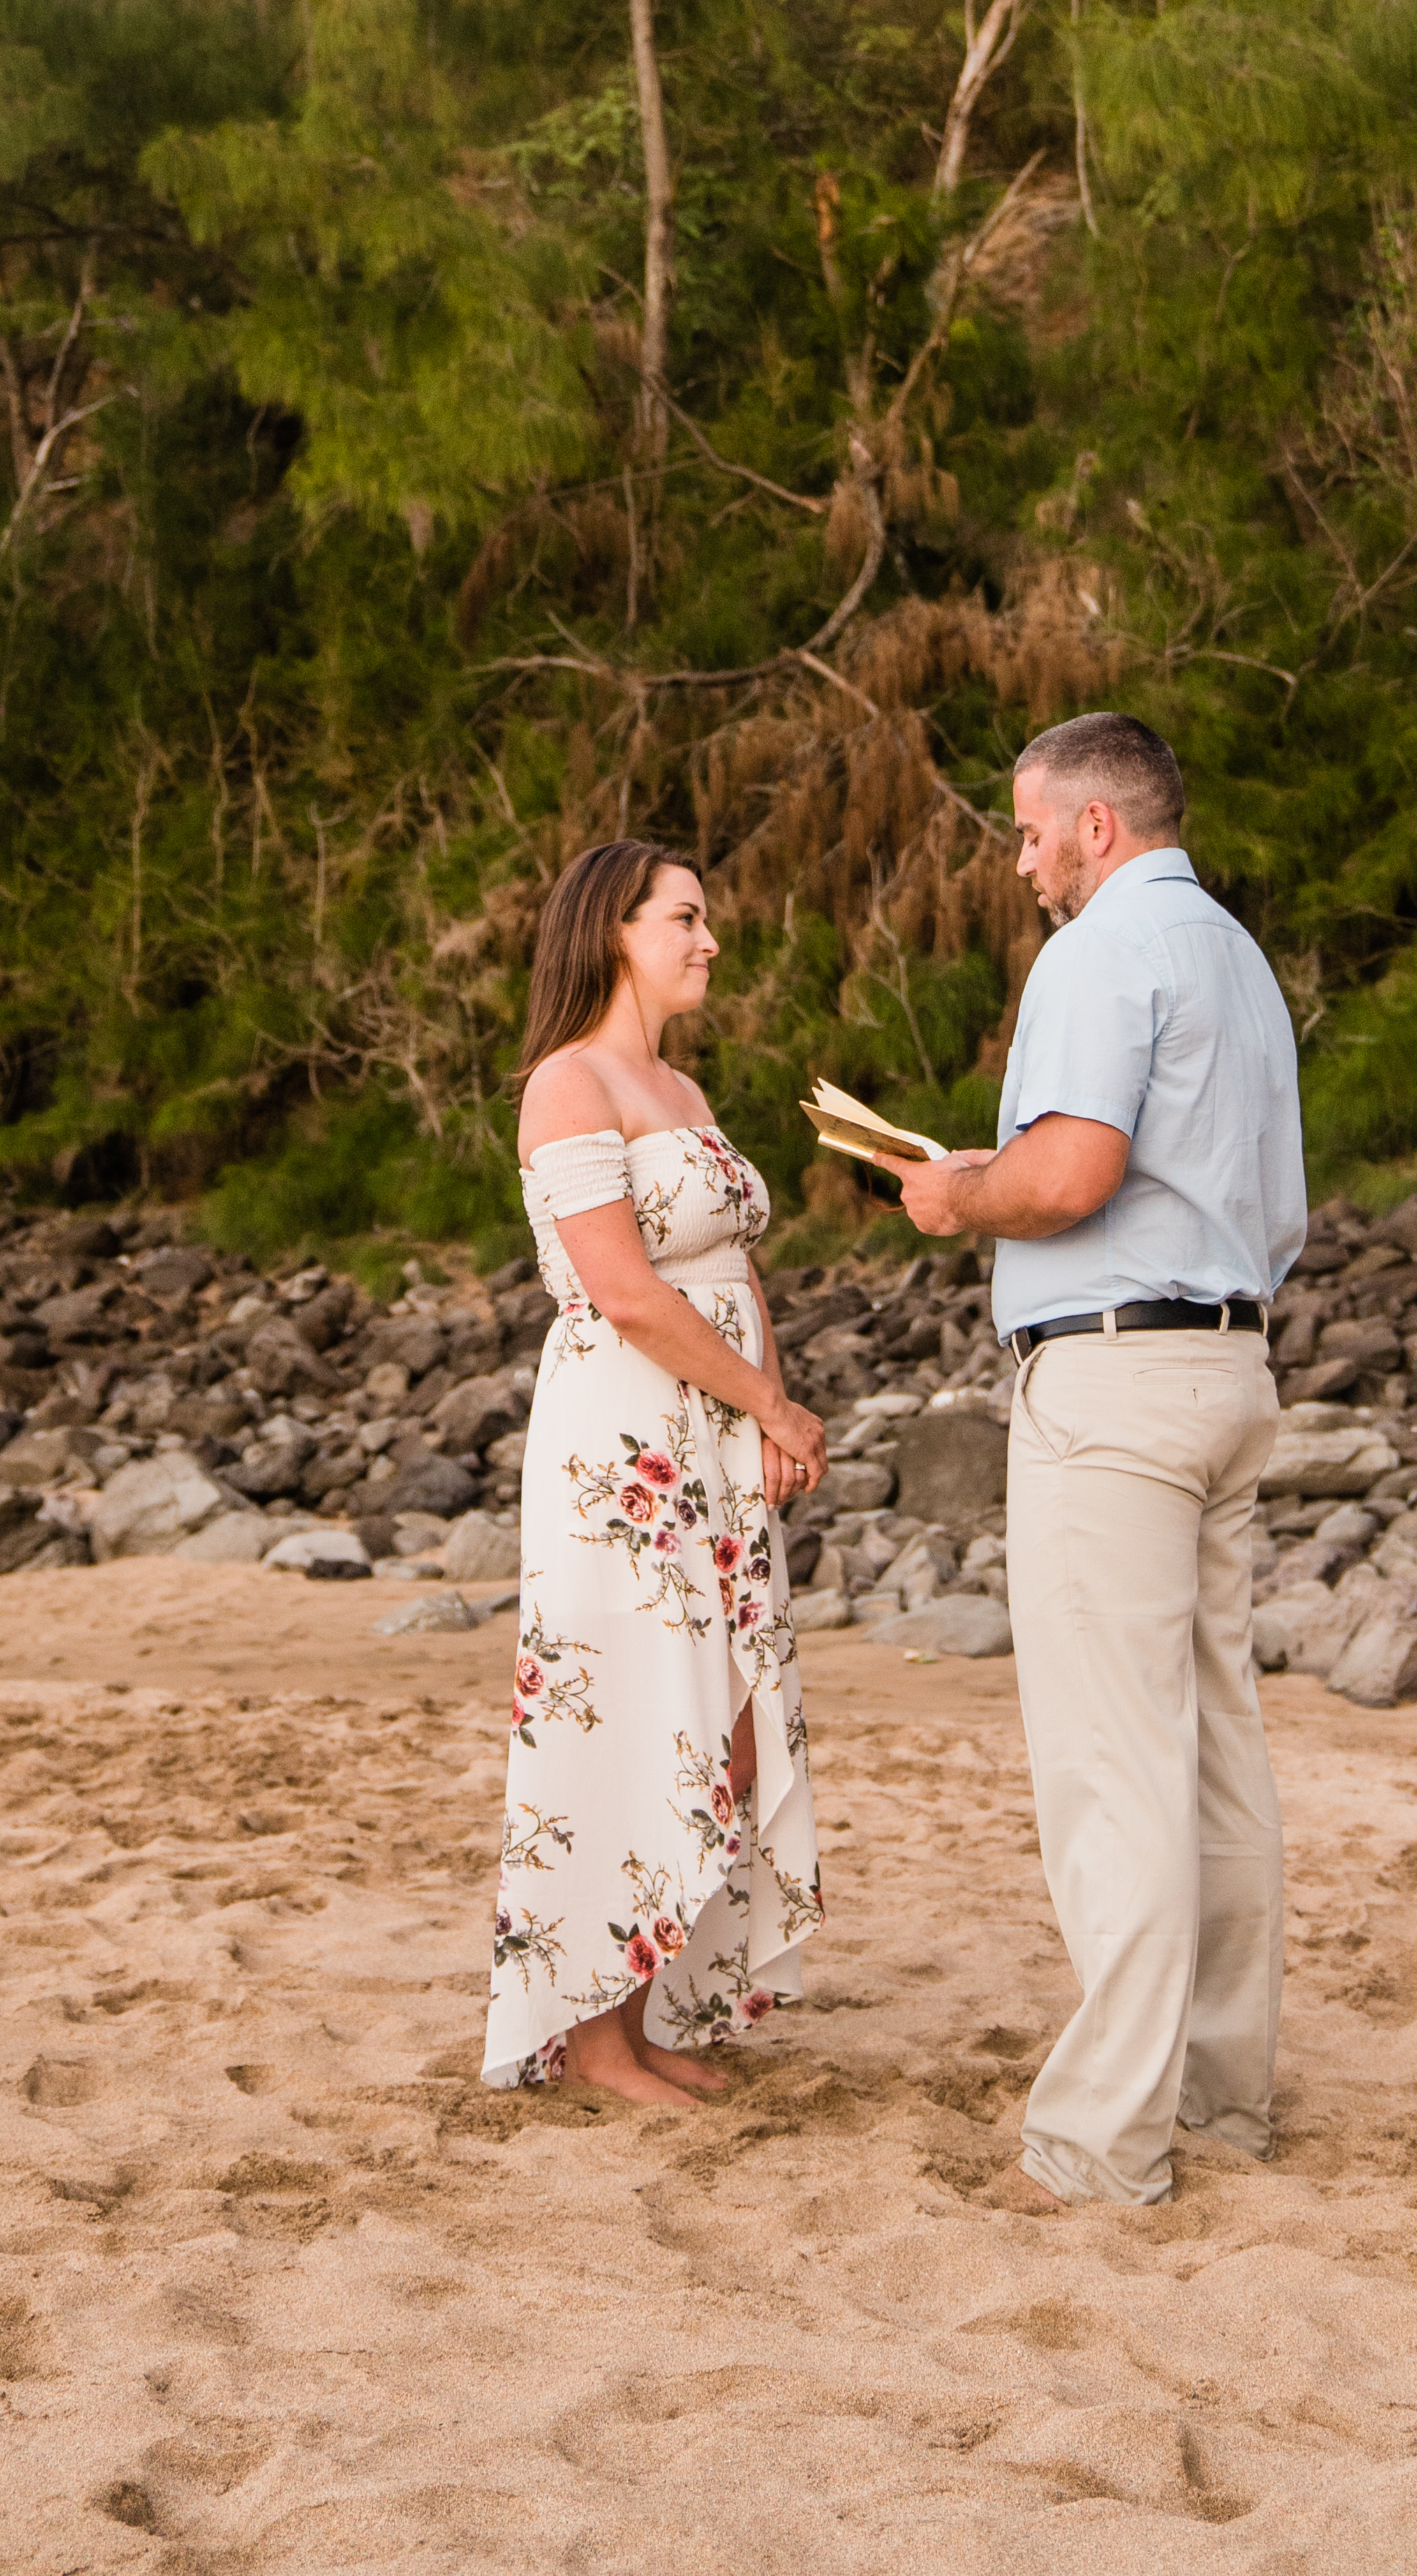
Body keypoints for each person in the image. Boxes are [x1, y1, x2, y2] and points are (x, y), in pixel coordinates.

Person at [898, 710, 1305, 2206]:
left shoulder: (1096, 952)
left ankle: (1103, 2139)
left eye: (1023, 833)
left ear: (1092, 826)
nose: (1016, 865)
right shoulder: (1238, 959)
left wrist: (955, 1195)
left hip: (1118, 1382)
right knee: (1211, 1746)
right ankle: (1222, 2097)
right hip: (1230, 1361)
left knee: (1109, 1763)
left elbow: (1068, 1176)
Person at [484, 838, 828, 2101]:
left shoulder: (681, 1091)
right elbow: (625, 1293)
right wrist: (771, 1406)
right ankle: (592, 2039)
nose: (708, 941)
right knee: (634, 1717)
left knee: (724, 1725)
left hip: (717, 1439)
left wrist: (767, 1420)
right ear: (612, 930)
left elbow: (732, 1267)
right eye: (684, 918)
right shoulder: (568, 1085)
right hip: (623, 1444)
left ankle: (646, 2007)